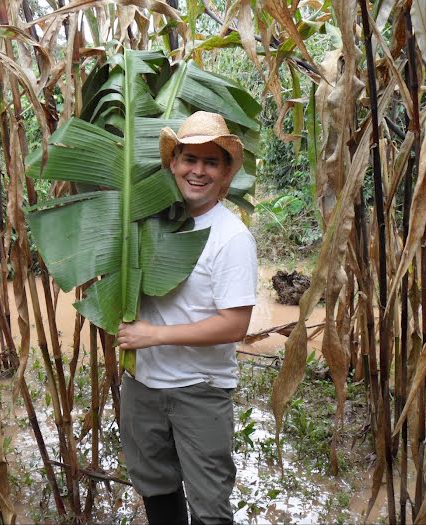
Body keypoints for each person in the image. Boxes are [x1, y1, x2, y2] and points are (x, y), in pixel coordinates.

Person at [117, 111, 257, 525]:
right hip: (142, 387)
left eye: (211, 162)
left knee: (210, 507)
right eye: (189, 159)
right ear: (173, 163)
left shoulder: (231, 237)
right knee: (156, 489)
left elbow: (235, 325)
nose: (198, 171)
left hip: (199, 391)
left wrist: (154, 336)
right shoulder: (149, 222)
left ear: (226, 173)